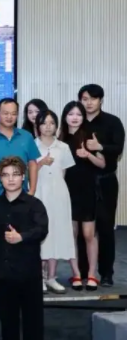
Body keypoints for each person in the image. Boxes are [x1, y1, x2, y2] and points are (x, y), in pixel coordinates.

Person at [0, 157, 49, 340]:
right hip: (2, 275)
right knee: (7, 322)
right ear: (0, 178)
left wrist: (21, 237)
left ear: (23, 177)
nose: (11, 179)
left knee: (33, 323)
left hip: (28, 274)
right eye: (6, 175)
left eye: (15, 174)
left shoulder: (34, 204)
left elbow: (42, 230)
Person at [77, 84, 125, 287]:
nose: (89, 103)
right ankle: (84, 273)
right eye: (85, 99)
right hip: (81, 183)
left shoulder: (112, 121)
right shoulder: (76, 121)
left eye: (93, 98)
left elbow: (118, 148)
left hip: (105, 182)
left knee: (105, 228)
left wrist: (100, 147)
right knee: (82, 230)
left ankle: (106, 273)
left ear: (101, 100)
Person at [58, 101, 105, 291]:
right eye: (71, 114)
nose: (75, 118)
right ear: (65, 117)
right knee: (71, 235)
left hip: (87, 191)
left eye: (78, 114)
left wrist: (89, 155)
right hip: (66, 192)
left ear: (83, 117)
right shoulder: (60, 139)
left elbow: (102, 164)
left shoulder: (90, 137)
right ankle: (76, 274)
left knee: (88, 234)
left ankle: (92, 274)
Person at [33, 110, 79, 293]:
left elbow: (64, 172)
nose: (48, 127)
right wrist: (41, 163)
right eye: (44, 123)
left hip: (59, 193)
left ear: (57, 126)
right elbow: (28, 171)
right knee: (40, 233)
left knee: (56, 233)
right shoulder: (32, 145)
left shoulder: (63, 147)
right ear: (38, 126)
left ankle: (52, 277)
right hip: (39, 192)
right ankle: (39, 277)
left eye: (52, 123)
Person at [0, 99, 41, 202]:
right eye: (6, 113)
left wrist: (32, 190)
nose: (9, 117)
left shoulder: (26, 136)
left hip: (21, 195)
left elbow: (32, 164)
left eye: (13, 114)